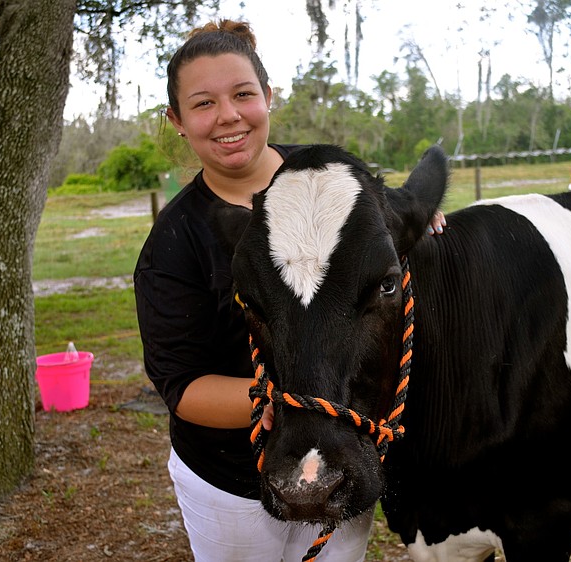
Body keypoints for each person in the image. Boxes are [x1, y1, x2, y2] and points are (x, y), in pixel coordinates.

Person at [134, 19, 444, 561]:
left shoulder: (329, 178)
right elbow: (181, 388)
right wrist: (287, 402)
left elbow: (385, 240)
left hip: (346, 447)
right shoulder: (174, 245)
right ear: (177, 121)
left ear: (268, 98)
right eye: (203, 103)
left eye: (243, 94)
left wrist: (413, 217)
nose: (228, 116)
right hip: (233, 478)